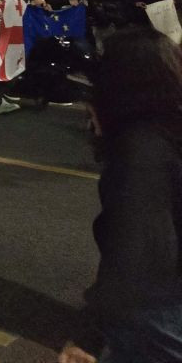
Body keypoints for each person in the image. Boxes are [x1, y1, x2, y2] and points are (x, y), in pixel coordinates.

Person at [59, 27, 182, 363]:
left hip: (160, 313)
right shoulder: (169, 128)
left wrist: (89, 334)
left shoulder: (141, 150)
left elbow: (136, 249)